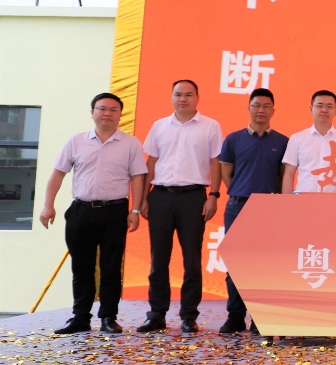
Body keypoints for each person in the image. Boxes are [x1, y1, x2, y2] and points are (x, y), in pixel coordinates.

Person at [39, 92, 147, 334]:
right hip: (81, 210)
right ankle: (80, 317)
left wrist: (135, 209)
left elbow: (137, 178)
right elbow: (58, 173)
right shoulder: (76, 141)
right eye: (102, 108)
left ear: (120, 115)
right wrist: (48, 205)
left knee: (111, 267)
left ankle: (108, 317)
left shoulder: (131, 143)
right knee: (81, 267)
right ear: (92, 112)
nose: (107, 113)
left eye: (113, 110)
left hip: (115, 212)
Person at [139, 80, 223, 334]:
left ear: (197, 98)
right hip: (161, 196)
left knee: (192, 260)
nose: (183, 99)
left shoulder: (210, 126)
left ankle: (189, 316)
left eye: (188, 94)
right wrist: (143, 198)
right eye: (178, 94)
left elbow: (216, 163)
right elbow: (151, 163)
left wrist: (213, 195)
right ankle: (156, 315)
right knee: (158, 260)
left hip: (193, 197)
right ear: (171, 97)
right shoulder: (159, 126)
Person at [217, 88, 288, 335]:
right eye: (256, 105)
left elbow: (283, 177)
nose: (261, 110)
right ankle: (235, 316)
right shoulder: (233, 139)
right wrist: (241, 191)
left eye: (266, 106)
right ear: (248, 108)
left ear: (273, 111)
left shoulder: (283, 142)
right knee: (236, 263)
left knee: (265, 263)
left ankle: (260, 318)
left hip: (268, 208)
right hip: (238, 205)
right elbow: (226, 173)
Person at [281, 90, 336, 194]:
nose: (324, 110)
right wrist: (286, 200)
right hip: (303, 198)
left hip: (334, 199)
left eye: (329, 106)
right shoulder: (297, 138)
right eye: (319, 106)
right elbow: (289, 174)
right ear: (311, 109)